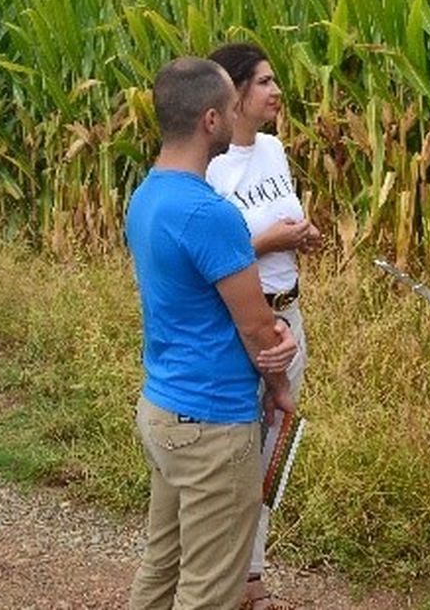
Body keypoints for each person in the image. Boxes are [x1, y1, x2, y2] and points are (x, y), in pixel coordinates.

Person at [127, 56, 299, 610]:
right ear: (209, 121)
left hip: (163, 406)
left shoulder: (147, 195)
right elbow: (257, 329)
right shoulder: (211, 215)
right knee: (210, 591)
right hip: (212, 423)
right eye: (229, 108)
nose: (234, 117)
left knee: (163, 564)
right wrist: (279, 381)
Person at [205, 42, 322, 610]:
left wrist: (302, 236)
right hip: (246, 321)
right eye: (265, 82)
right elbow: (209, 253)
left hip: (289, 310)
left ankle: (252, 578)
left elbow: (282, 220)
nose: (277, 92)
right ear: (235, 93)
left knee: (275, 445)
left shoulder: (274, 150)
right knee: (236, 450)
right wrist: (273, 239)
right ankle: (226, 582)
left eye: (276, 81)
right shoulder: (211, 167)